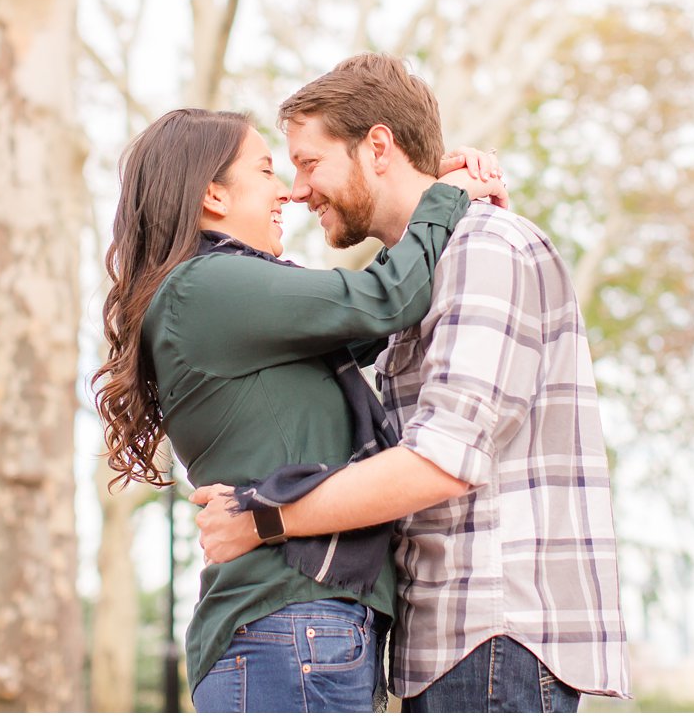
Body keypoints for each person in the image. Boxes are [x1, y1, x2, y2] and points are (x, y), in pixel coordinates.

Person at [193, 54, 631, 713]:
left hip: (493, 635)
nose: (299, 190)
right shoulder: (422, 277)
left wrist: (262, 517)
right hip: (448, 647)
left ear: (377, 146)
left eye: (310, 164)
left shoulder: (487, 249)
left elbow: (440, 461)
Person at [92, 107, 505, 714]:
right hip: (290, 626)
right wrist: (443, 201)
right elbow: (384, 302)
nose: (287, 189)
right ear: (212, 194)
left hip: (299, 628)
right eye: (265, 170)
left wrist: (424, 196)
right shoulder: (206, 287)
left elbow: (365, 325)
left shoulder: (218, 295)